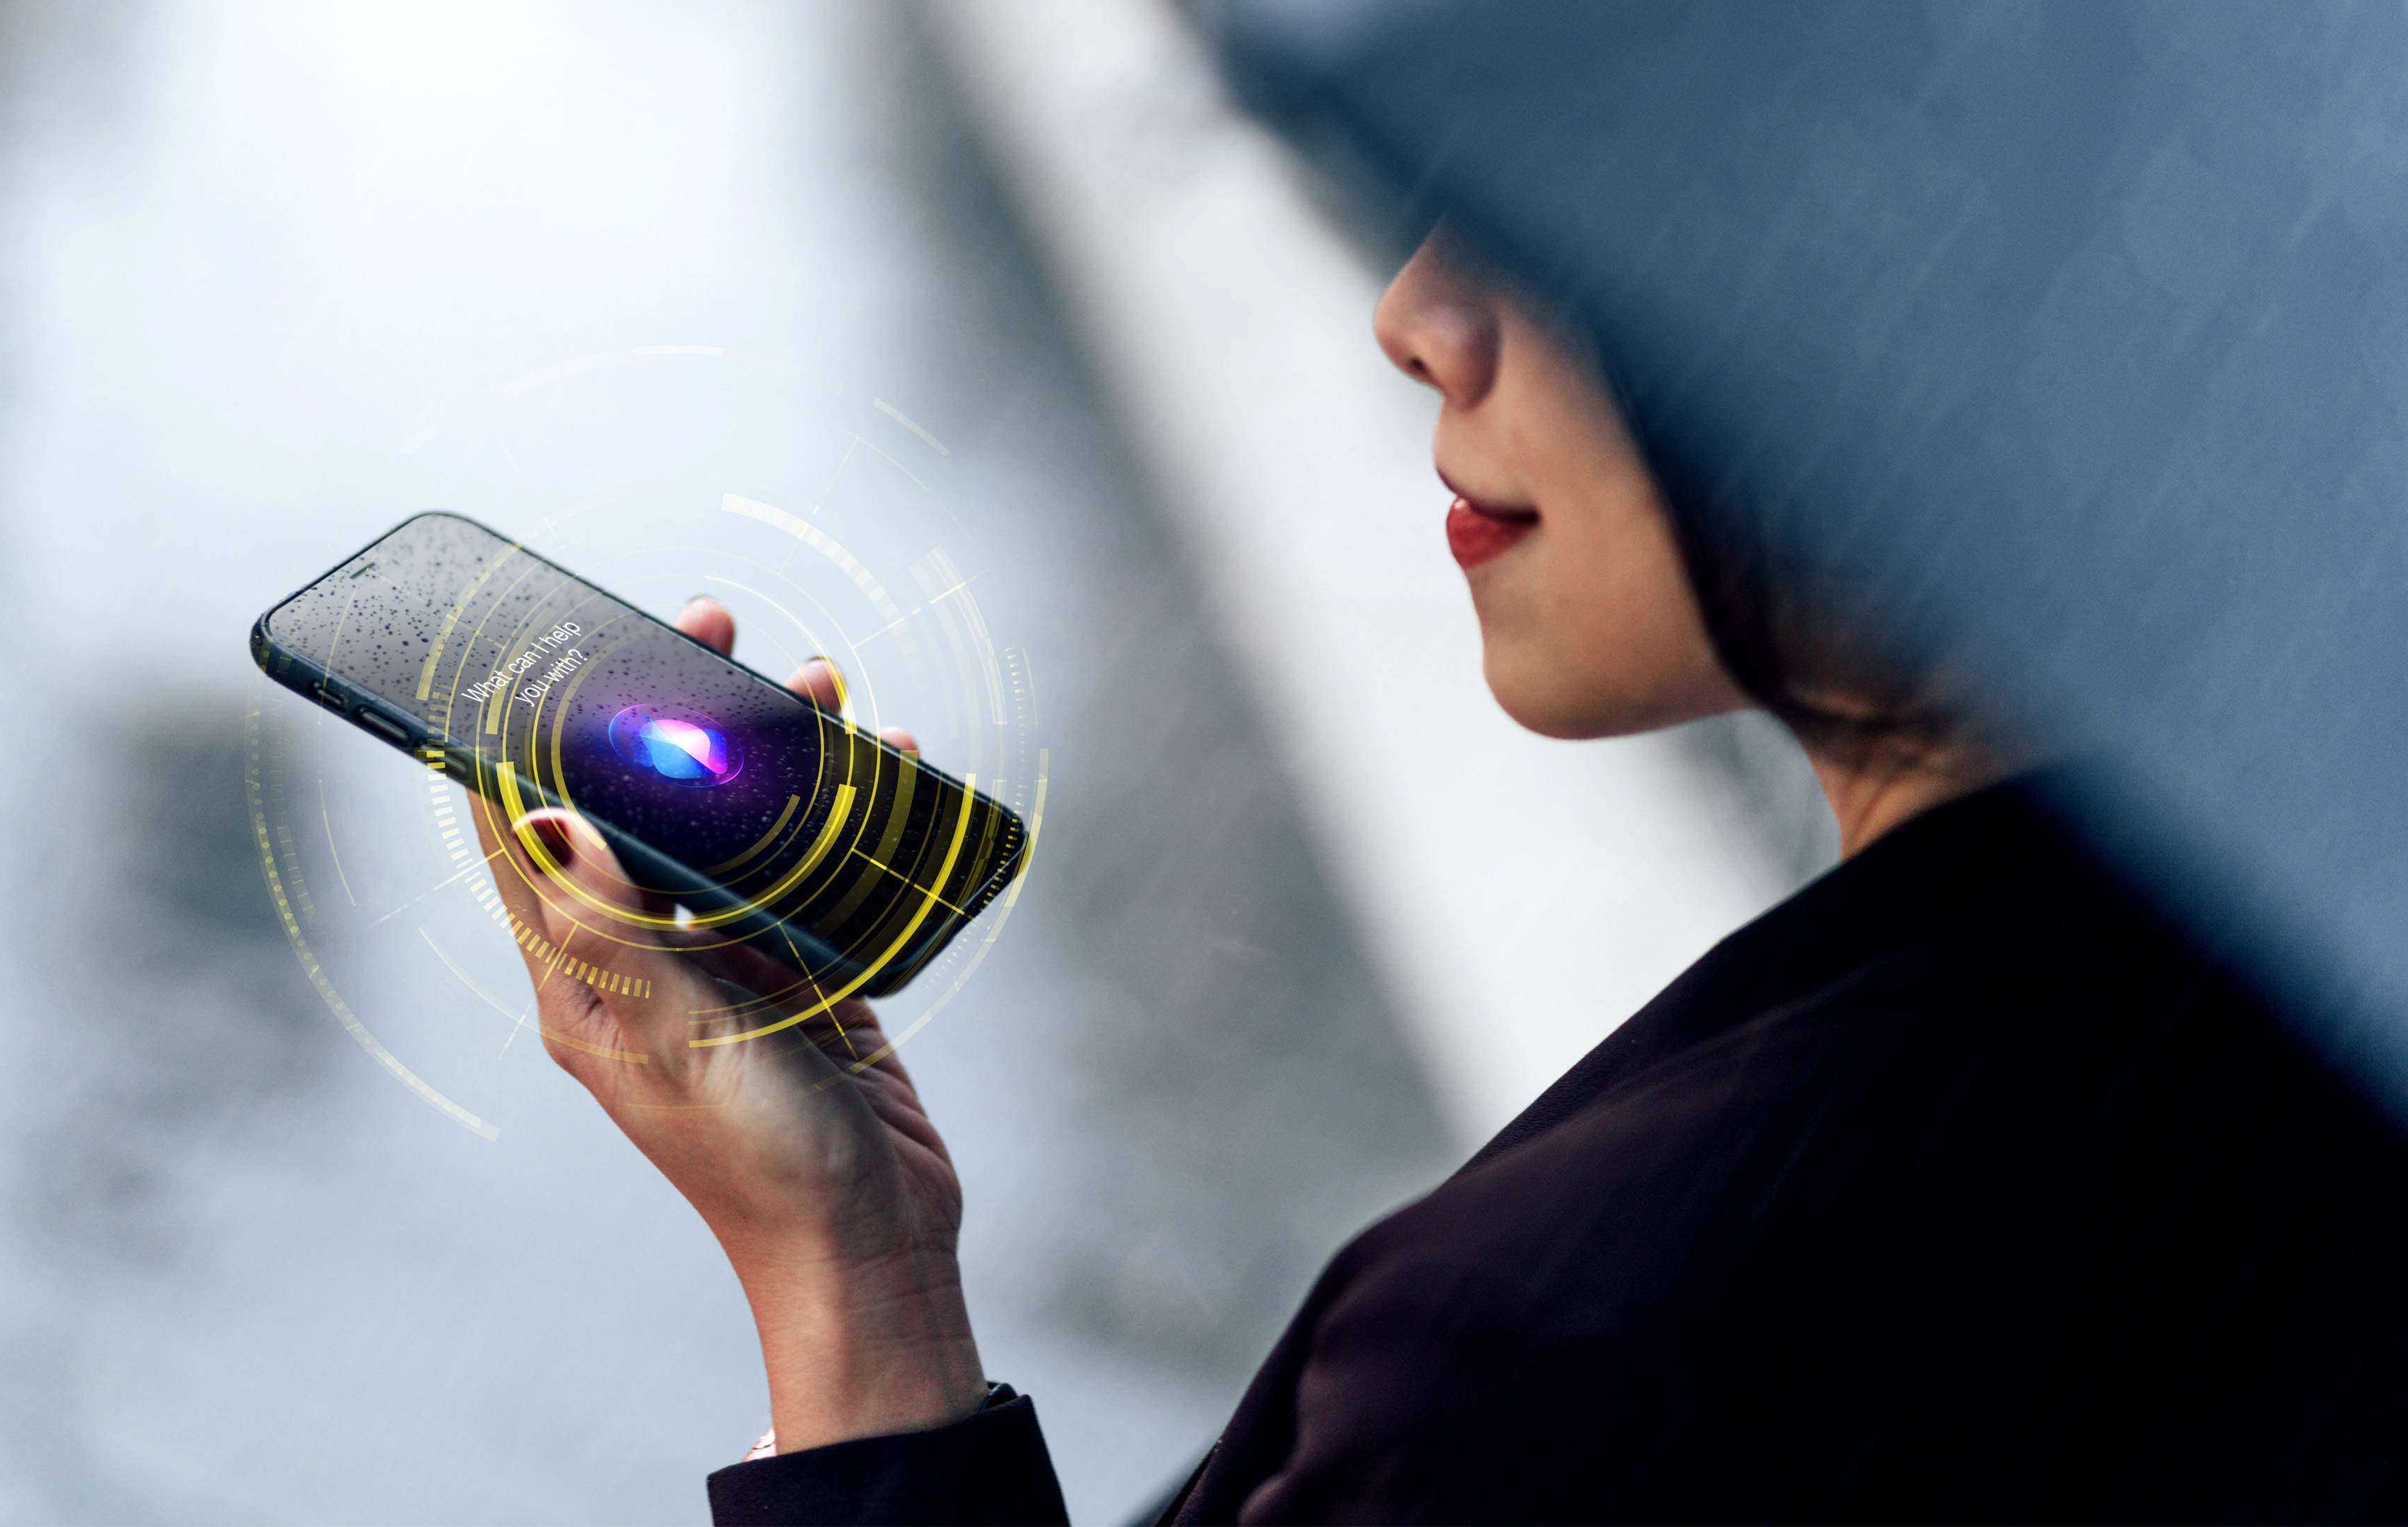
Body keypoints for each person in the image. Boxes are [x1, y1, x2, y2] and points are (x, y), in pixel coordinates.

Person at [474, 230, 2408, 1523]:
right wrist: (866, 1257)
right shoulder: (2292, 977)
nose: (1419, 313)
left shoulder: (1563, 1356)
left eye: (1569, 225)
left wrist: (831, 1313)